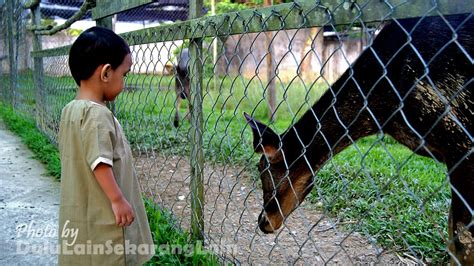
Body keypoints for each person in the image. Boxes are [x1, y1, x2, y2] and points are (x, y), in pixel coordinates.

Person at [58, 26, 154, 265]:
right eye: (125, 74)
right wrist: (117, 199)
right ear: (106, 73)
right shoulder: (97, 115)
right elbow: (100, 161)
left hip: (82, 210)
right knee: (109, 255)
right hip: (105, 217)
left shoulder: (70, 110)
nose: (125, 81)